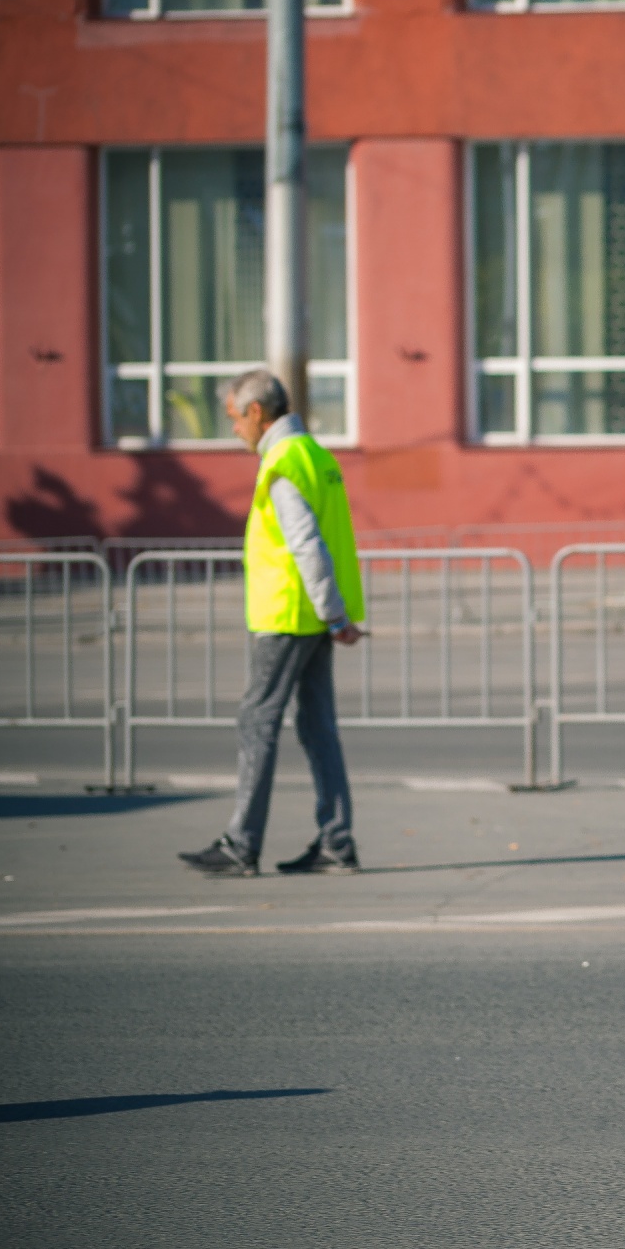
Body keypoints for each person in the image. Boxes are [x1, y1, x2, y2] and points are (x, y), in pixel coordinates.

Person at [178, 369, 367, 878]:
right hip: (314, 616)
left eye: (235, 418)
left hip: (286, 615)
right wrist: (336, 616)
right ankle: (336, 842)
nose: (234, 429)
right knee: (317, 728)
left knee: (257, 723)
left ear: (257, 412)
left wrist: (333, 614)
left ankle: (242, 845)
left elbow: (306, 544)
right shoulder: (317, 456)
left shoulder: (282, 462)